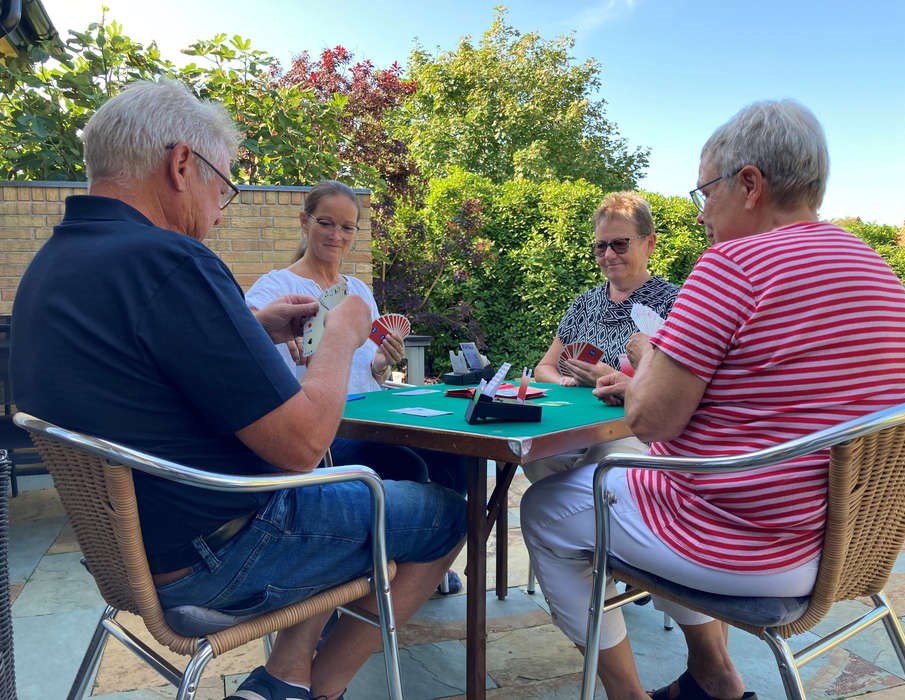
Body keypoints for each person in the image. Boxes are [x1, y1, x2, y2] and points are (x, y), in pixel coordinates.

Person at [9, 79, 466, 700]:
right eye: (223, 186)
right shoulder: (171, 261)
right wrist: (342, 332)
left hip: (130, 556)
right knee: (443, 515)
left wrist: (251, 326)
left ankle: (283, 678)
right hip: (217, 556)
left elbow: (142, 367)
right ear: (179, 165)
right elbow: (301, 443)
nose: (222, 208)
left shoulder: (53, 267)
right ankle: (314, 688)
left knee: (338, 487)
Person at [521, 99, 905, 700]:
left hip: (752, 543)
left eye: (705, 191)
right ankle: (713, 679)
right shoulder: (881, 272)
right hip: (853, 545)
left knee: (548, 511)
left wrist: (648, 356)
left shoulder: (733, 266)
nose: (703, 211)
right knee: (626, 489)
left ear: (750, 185)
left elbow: (649, 417)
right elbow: (784, 396)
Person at [246, 182, 470, 592]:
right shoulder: (273, 289)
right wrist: (290, 345)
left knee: (455, 460)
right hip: (325, 430)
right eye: (326, 223)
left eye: (347, 228)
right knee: (409, 467)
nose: (336, 236)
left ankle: (426, 566)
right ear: (304, 222)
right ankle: (377, 576)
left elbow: (371, 370)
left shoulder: (360, 291)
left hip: (373, 415)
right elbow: (257, 367)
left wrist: (385, 360)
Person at [523, 192, 678, 483]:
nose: (608, 255)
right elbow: (544, 368)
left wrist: (612, 379)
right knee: (537, 452)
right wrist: (566, 380)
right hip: (576, 427)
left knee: (602, 461)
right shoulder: (585, 303)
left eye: (620, 244)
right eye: (600, 246)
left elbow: (675, 394)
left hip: (633, 433)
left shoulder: (675, 304)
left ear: (650, 244)